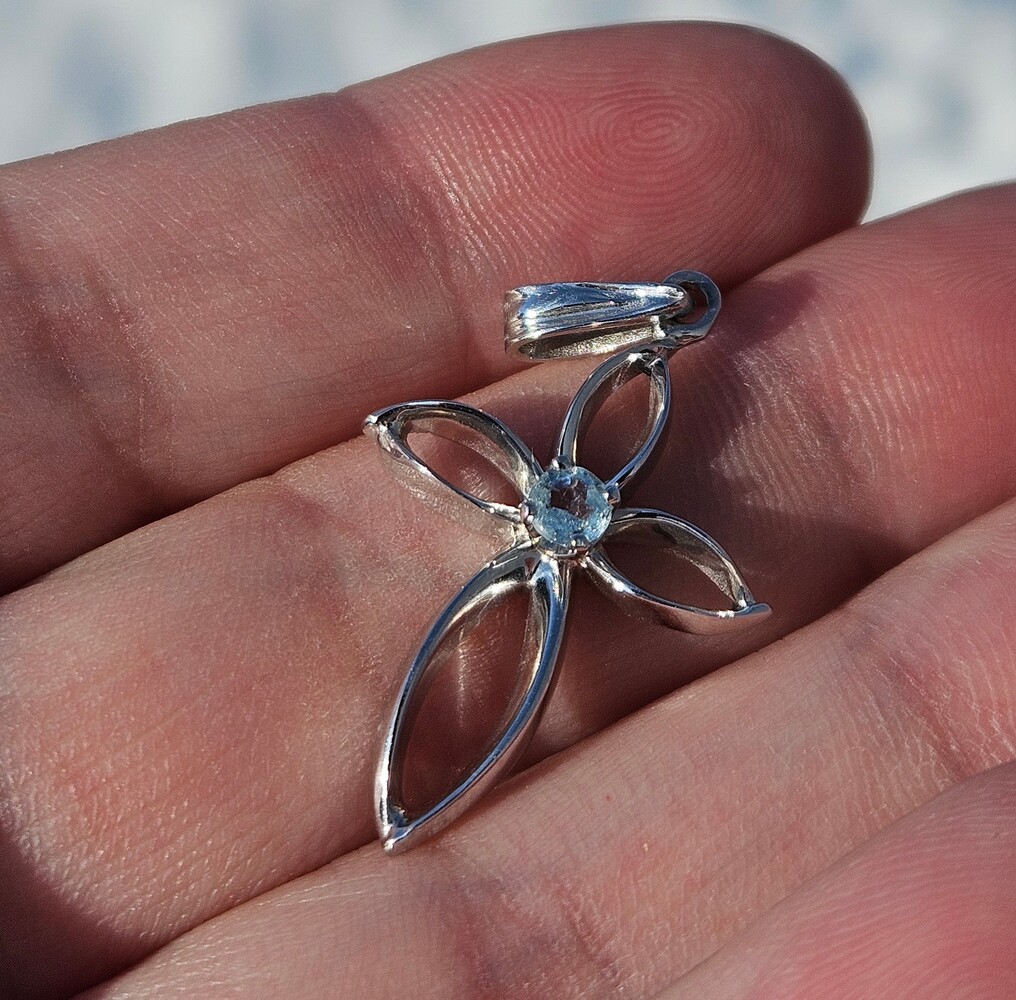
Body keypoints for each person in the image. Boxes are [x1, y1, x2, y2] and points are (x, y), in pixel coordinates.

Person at [1, 21, 1013, 1000]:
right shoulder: (561, 460)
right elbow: (421, 419)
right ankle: (410, 805)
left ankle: (413, 806)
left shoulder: (614, 443)